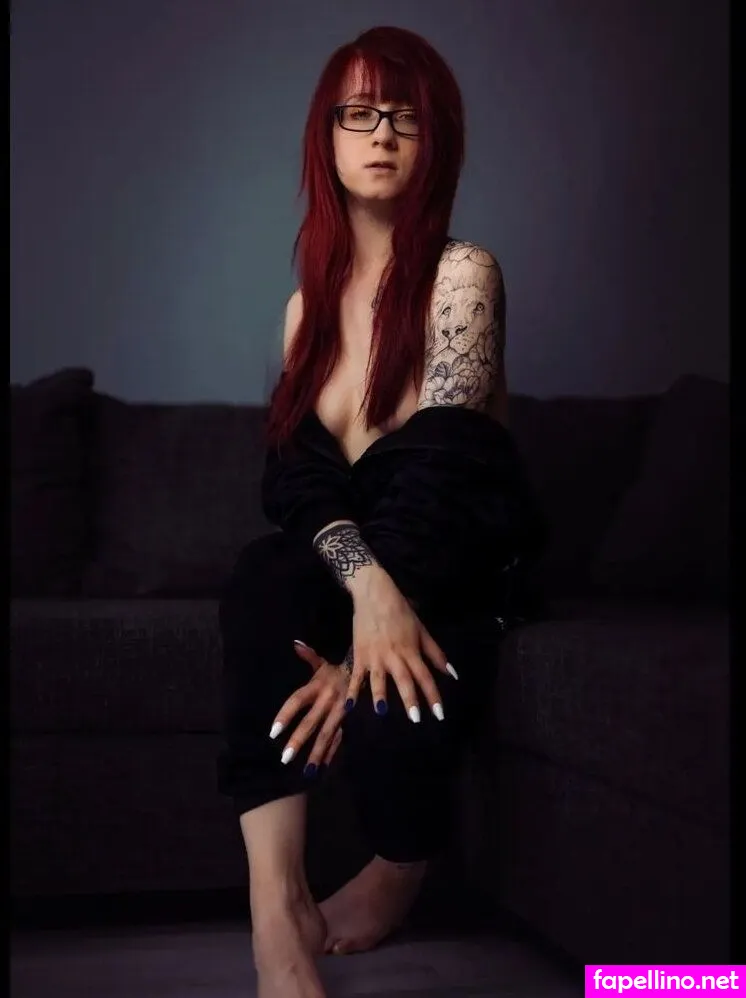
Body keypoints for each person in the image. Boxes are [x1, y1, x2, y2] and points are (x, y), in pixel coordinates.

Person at [217, 24, 546, 998]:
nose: (381, 135)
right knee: (261, 574)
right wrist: (365, 595)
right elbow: (295, 483)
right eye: (357, 114)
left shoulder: (462, 275)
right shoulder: (304, 310)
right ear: (324, 138)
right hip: (362, 581)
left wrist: (367, 643)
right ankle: (276, 910)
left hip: (455, 574)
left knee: (387, 701)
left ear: (435, 140)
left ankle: (401, 864)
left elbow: (445, 474)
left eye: (403, 116)